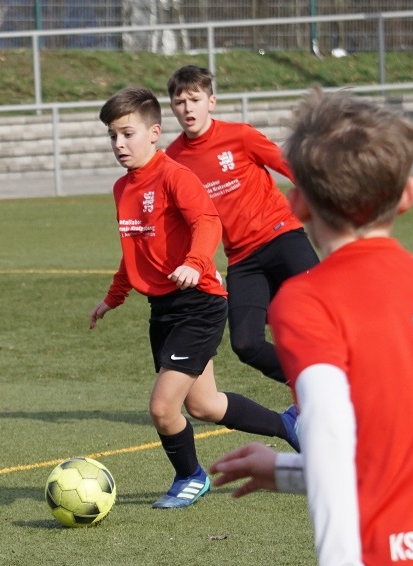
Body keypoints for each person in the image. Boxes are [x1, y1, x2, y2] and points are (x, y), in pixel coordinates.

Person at [209, 89, 413, 564]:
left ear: (297, 204)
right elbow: (410, 451)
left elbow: (331, 444)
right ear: (407, 196)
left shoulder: (308, 299)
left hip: (409, 546)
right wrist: (289, 471)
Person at [90, 86, 299, 509]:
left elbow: (207, 221)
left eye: (127, 134)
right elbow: (135, 248)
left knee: (162, 408)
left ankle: (190, 476)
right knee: (204, 405)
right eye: (112, 136)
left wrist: (195, 262)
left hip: (199, 303)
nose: (119, 144)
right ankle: (288, 425)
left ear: (154, 133)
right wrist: (114, 296)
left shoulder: (175, 176)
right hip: (163, 309)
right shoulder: (122, 188)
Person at [164, 65, 319, 385]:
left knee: (324, 312)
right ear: (172, 107)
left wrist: (325, 201)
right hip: (242, 258)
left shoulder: (240, 136)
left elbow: (290, 166)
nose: (188, 108)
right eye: (180, 102)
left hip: (282, 236)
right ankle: (308, 384)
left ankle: (366, 373)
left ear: (211, 102)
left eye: (195, 100)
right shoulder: (173, 159)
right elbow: (180, 219)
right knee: (246, 343)